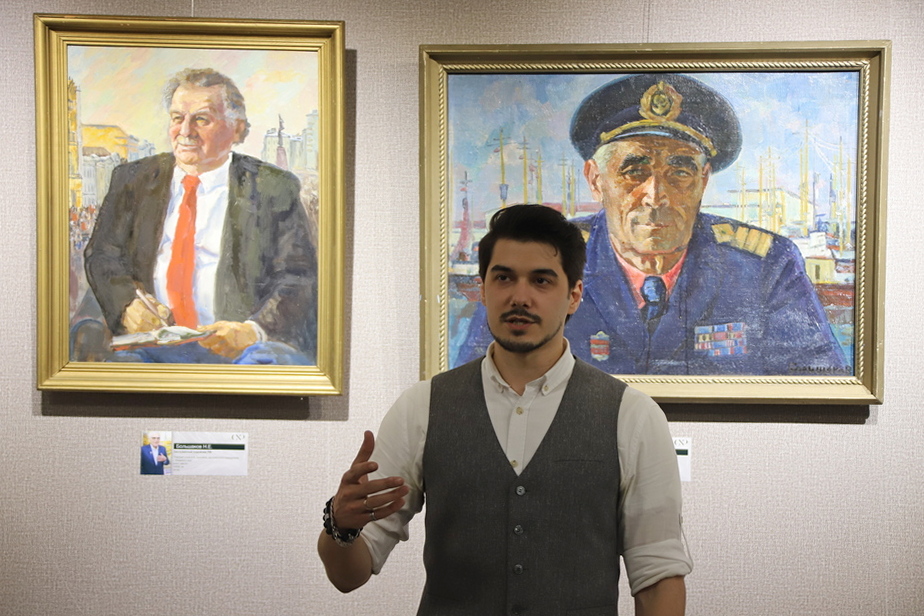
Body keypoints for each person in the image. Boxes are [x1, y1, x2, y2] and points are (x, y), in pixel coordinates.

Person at [319, 205, 691, 615]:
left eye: (541, 281)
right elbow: (348, 576)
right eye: (504, 278)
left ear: (574, 296)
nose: (519, 297)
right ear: (483, 289)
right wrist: (340, 524)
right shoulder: (421, 407)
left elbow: (658, 577)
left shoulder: (632, 416)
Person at [464, 73, 848, 376]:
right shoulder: (545, 257)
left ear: (703, 180)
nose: (655, 195)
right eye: (634, 170)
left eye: (680, 171)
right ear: (596, 180)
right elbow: (476, 381)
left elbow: (818, 382)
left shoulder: (764, 266)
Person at [84, 68, 316, 364]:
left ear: (237, 129)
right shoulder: (132, 180)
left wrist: (252, 330)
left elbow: (298, 277)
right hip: (148, 345)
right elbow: (101, 255)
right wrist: (127, 304)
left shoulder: (272, 187)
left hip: (236, 350)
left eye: (201, 119)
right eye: (177, 118)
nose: (185, 131)